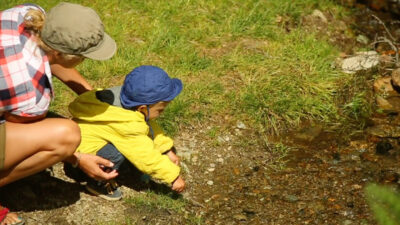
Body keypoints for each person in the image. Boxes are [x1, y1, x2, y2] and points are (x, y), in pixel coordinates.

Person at [0, 3, 118, 224]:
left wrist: (89, 97)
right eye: (83, 56)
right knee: (66, 136)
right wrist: (76, 157)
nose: (84, 60)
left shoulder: (27, 13)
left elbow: (50, 58)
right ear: (62, 53)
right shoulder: (31, 97)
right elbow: (12, 129)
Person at [68, 65, 186, 200]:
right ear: (143, 108)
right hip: (82, 158)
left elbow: (147, 124)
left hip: (76, 143)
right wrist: (173, 176)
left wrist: (165, 149)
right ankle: (97, 182)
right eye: (160, 110)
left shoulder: (119, 101)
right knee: (117, 154)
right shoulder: (127, 124)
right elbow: (145, 156)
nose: (161, 113)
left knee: (126, 146)